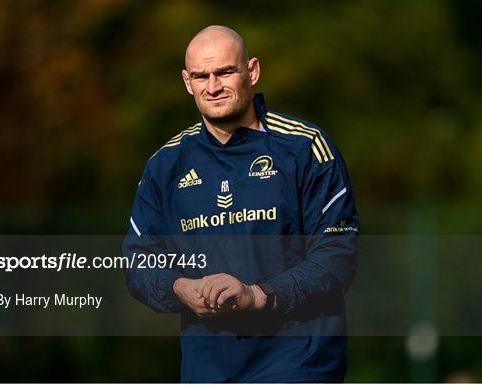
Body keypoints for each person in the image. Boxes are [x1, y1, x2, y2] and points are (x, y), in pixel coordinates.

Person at [123, 25, 359, 382]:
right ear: (187, 82)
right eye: (202, 76)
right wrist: (179, 288)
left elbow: (338, 254)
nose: (213, 86)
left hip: (299, 364)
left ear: (252, 71)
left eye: (225, 72)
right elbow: (138, 258)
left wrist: (259, 295)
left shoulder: (306, 148)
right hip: (208, 370)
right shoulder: (165, 165)